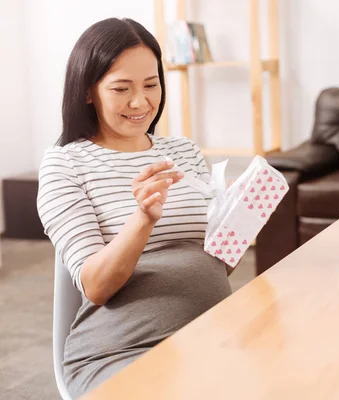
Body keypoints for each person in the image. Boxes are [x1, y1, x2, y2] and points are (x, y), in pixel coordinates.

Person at [36, 18, 232, 397]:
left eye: (152, 84)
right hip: (123, 350)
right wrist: (142, 219)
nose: (141, 102)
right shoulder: (65, 164)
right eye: (121, 88)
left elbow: (215, 264)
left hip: (212, 333)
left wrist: (241, 221)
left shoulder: (184, 152)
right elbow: (96, 286)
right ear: (88, 91)